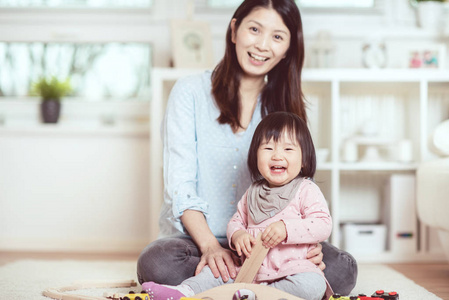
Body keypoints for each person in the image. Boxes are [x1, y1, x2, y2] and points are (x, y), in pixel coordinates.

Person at [137, 0, 357, 294]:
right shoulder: (189, 92)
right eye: (255, 29)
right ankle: (265, 286)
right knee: (157, 264)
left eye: (277, 37)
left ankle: (240, 285)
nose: (262, 45)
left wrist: (306, 245)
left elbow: (299, 191)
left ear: (288, 49)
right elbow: (181, 187)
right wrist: (212, 248)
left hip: (273, 247)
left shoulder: (286, 110)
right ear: (234, 30)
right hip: (197, 240)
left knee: (342, 268)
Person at [141, 112, 333, 300]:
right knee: (214, 273)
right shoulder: (253, 192)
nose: (277, 156)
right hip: (249, 269)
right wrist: (238, 235)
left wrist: (286, 228)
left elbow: (323, 223)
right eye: (268, 148)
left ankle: (263, 294)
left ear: (304, 159)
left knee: (312, 285)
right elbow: (237, 221)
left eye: (288, 149)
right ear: (255, 155)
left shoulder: (306, 189)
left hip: (293, 269)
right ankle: (185, 292)